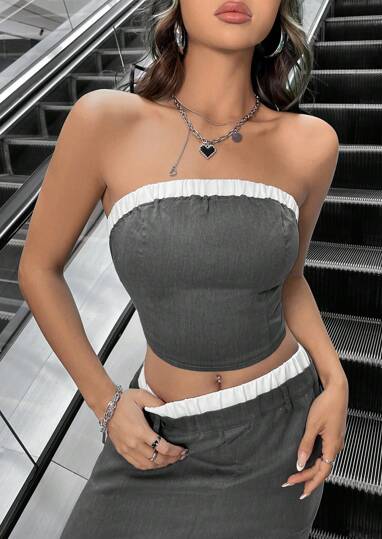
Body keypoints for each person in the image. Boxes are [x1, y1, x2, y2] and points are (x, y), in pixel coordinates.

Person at [18, 1, 349, 537]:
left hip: (280, 433)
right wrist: (106, 402)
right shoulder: (104, 120)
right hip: (159, 432)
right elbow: (38, 268)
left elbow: (290, 280)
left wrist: (335, 379)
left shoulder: (312, 143)